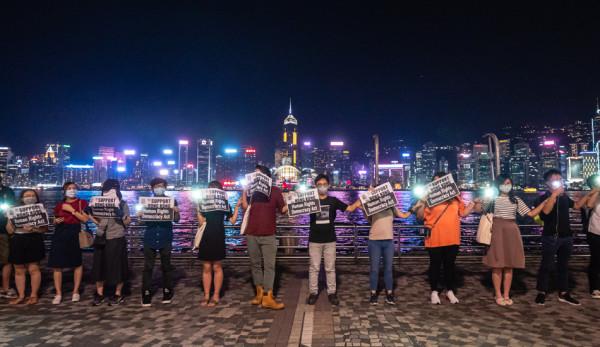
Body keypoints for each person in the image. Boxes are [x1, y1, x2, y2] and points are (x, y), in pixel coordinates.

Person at [478, 175, 547, 306]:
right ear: (498, 185)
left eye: (509, 183)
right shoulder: (492, 200)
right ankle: (498, 294)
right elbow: (479, 210)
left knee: (509, 265)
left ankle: (506, 294)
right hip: (497, 230)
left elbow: (531, 214)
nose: (507, 185)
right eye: (504, 183)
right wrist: (478, 201)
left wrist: (543, 203)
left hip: (512, 230)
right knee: (497, 265)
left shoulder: (516, 200)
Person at [413, 172, 476, 305]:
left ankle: (450, 291)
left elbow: (463, 213)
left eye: (440, 181)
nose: (438, 184)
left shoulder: (455, 198)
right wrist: (423, 201)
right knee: (435, 265)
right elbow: (419, 216)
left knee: (450, 266)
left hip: (452, 237)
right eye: (435, 182)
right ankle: (434, 291)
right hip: (435, 237)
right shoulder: (428, 198)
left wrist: (473, 204)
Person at [306, 174, 361, 306]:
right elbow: (293, 208)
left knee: (330, 268)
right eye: (319, 184)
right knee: (314, 268)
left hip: (330, 240)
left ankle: (332, 293)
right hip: (314, 240)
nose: (322, 186)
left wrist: (364, 198)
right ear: (315, 186)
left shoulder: (334, 201)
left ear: (328, 185)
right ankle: (313, 293)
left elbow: (350, 208)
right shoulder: (310, 201)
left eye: (324, 184)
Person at [535, 169, 586, 306]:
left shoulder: (564, 197)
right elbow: (545, 213)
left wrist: (584, 196)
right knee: (546, 265)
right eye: (555, 179)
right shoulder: (542, 198)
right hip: (550, 237)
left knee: (564, 266)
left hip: (566, 237)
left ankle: (564, 292)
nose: (558, 181)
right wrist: (554, 195)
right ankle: (542, 292)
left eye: (560, 179)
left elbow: (576, 206)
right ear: (547, 183)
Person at [240, 165, 287, 310]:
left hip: (269, 234)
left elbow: (283, 210)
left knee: (269, 266)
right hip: (251, 233)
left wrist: (294, 203)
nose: (254, 177)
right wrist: (244, 190)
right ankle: (259, 293)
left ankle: (268, 296)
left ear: (266, 177)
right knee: (255, 264)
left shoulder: (276, 191)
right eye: (253, 175)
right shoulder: (251, 192)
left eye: (257, 174)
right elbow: (244, 207)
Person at [197, 180, 241, 307]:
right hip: (206, 236)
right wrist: (197, 209)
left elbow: (232, 220)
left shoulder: (224, 204)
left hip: (218, 236)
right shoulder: (203, 203)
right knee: (206, 267)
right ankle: (206, 295)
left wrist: (237, 207)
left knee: (217, 266)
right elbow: (201, 223)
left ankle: (216, 295)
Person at [363, 192, 411, 306]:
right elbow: (368, 219)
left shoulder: (392, 206)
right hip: (374, 240)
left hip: (388, 241)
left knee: (388, 270)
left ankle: (389, 294)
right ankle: (373, 294)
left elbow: (403, 215)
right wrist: (364, 206)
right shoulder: (373, 206)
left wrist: (414, 208)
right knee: (374, 269)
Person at [138, 178, 180, 307]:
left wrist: (177, 212)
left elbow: (177, 220)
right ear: (152, 188)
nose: (159, 188)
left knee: (166, 266)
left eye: (161, 186)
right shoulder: (146, 202)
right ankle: (146, 293)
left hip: (165, 237)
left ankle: (167, 291)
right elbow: (141, 222)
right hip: (150, 237)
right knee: (148, 267)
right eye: (156, 186)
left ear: (165, 188)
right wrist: (139, 215)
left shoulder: (172, 201)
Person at [88, 179, 130, 306]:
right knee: (99, 266)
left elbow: (127, 222)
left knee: (118, 266)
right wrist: (89, 213)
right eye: (106, 189)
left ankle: (118, 293)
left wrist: (120, 214)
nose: (109, 191)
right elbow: (97, 221)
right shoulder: (97, 203)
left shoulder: (122, 204)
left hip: (116, 237)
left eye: (112, 188)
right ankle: (99, 294)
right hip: (101, 236)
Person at [48, 182, 90, 304]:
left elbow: (85, 219)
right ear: (64, 191)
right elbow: (54, 219)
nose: (72, 190)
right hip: (60, 233)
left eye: (74, 188)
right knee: (57, 264)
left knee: (77, 263)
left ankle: (75, 291)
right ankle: (58, 293)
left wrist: (72, 210)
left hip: (74, 232)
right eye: (69, 188)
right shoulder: (59, 204)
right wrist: (55, 221)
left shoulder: (82, 203)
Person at [6, 189, 48, 305]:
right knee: (18, 269)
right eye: (27, 196)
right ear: (22, 198)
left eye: (32, 195)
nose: (30, 197)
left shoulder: (40, 210)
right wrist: (9, 219)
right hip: (18, 240)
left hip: (34, 239)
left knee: (33, 268)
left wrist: (34, 228)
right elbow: (9, 231)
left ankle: (34, 295)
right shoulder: (14, 211)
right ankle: (21, 295)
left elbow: (45, 229)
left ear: (36, 198)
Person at [575, 174, 600, 299]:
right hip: (595, 233)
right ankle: (595, 288)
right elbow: (589, 205)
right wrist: (596, 191)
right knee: (596, 261)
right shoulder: (591, 196)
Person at [0, 175, 17, 299]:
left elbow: (13, 209)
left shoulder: (7, 191)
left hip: (3, 230)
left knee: (7, 260)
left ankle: (5, 288)